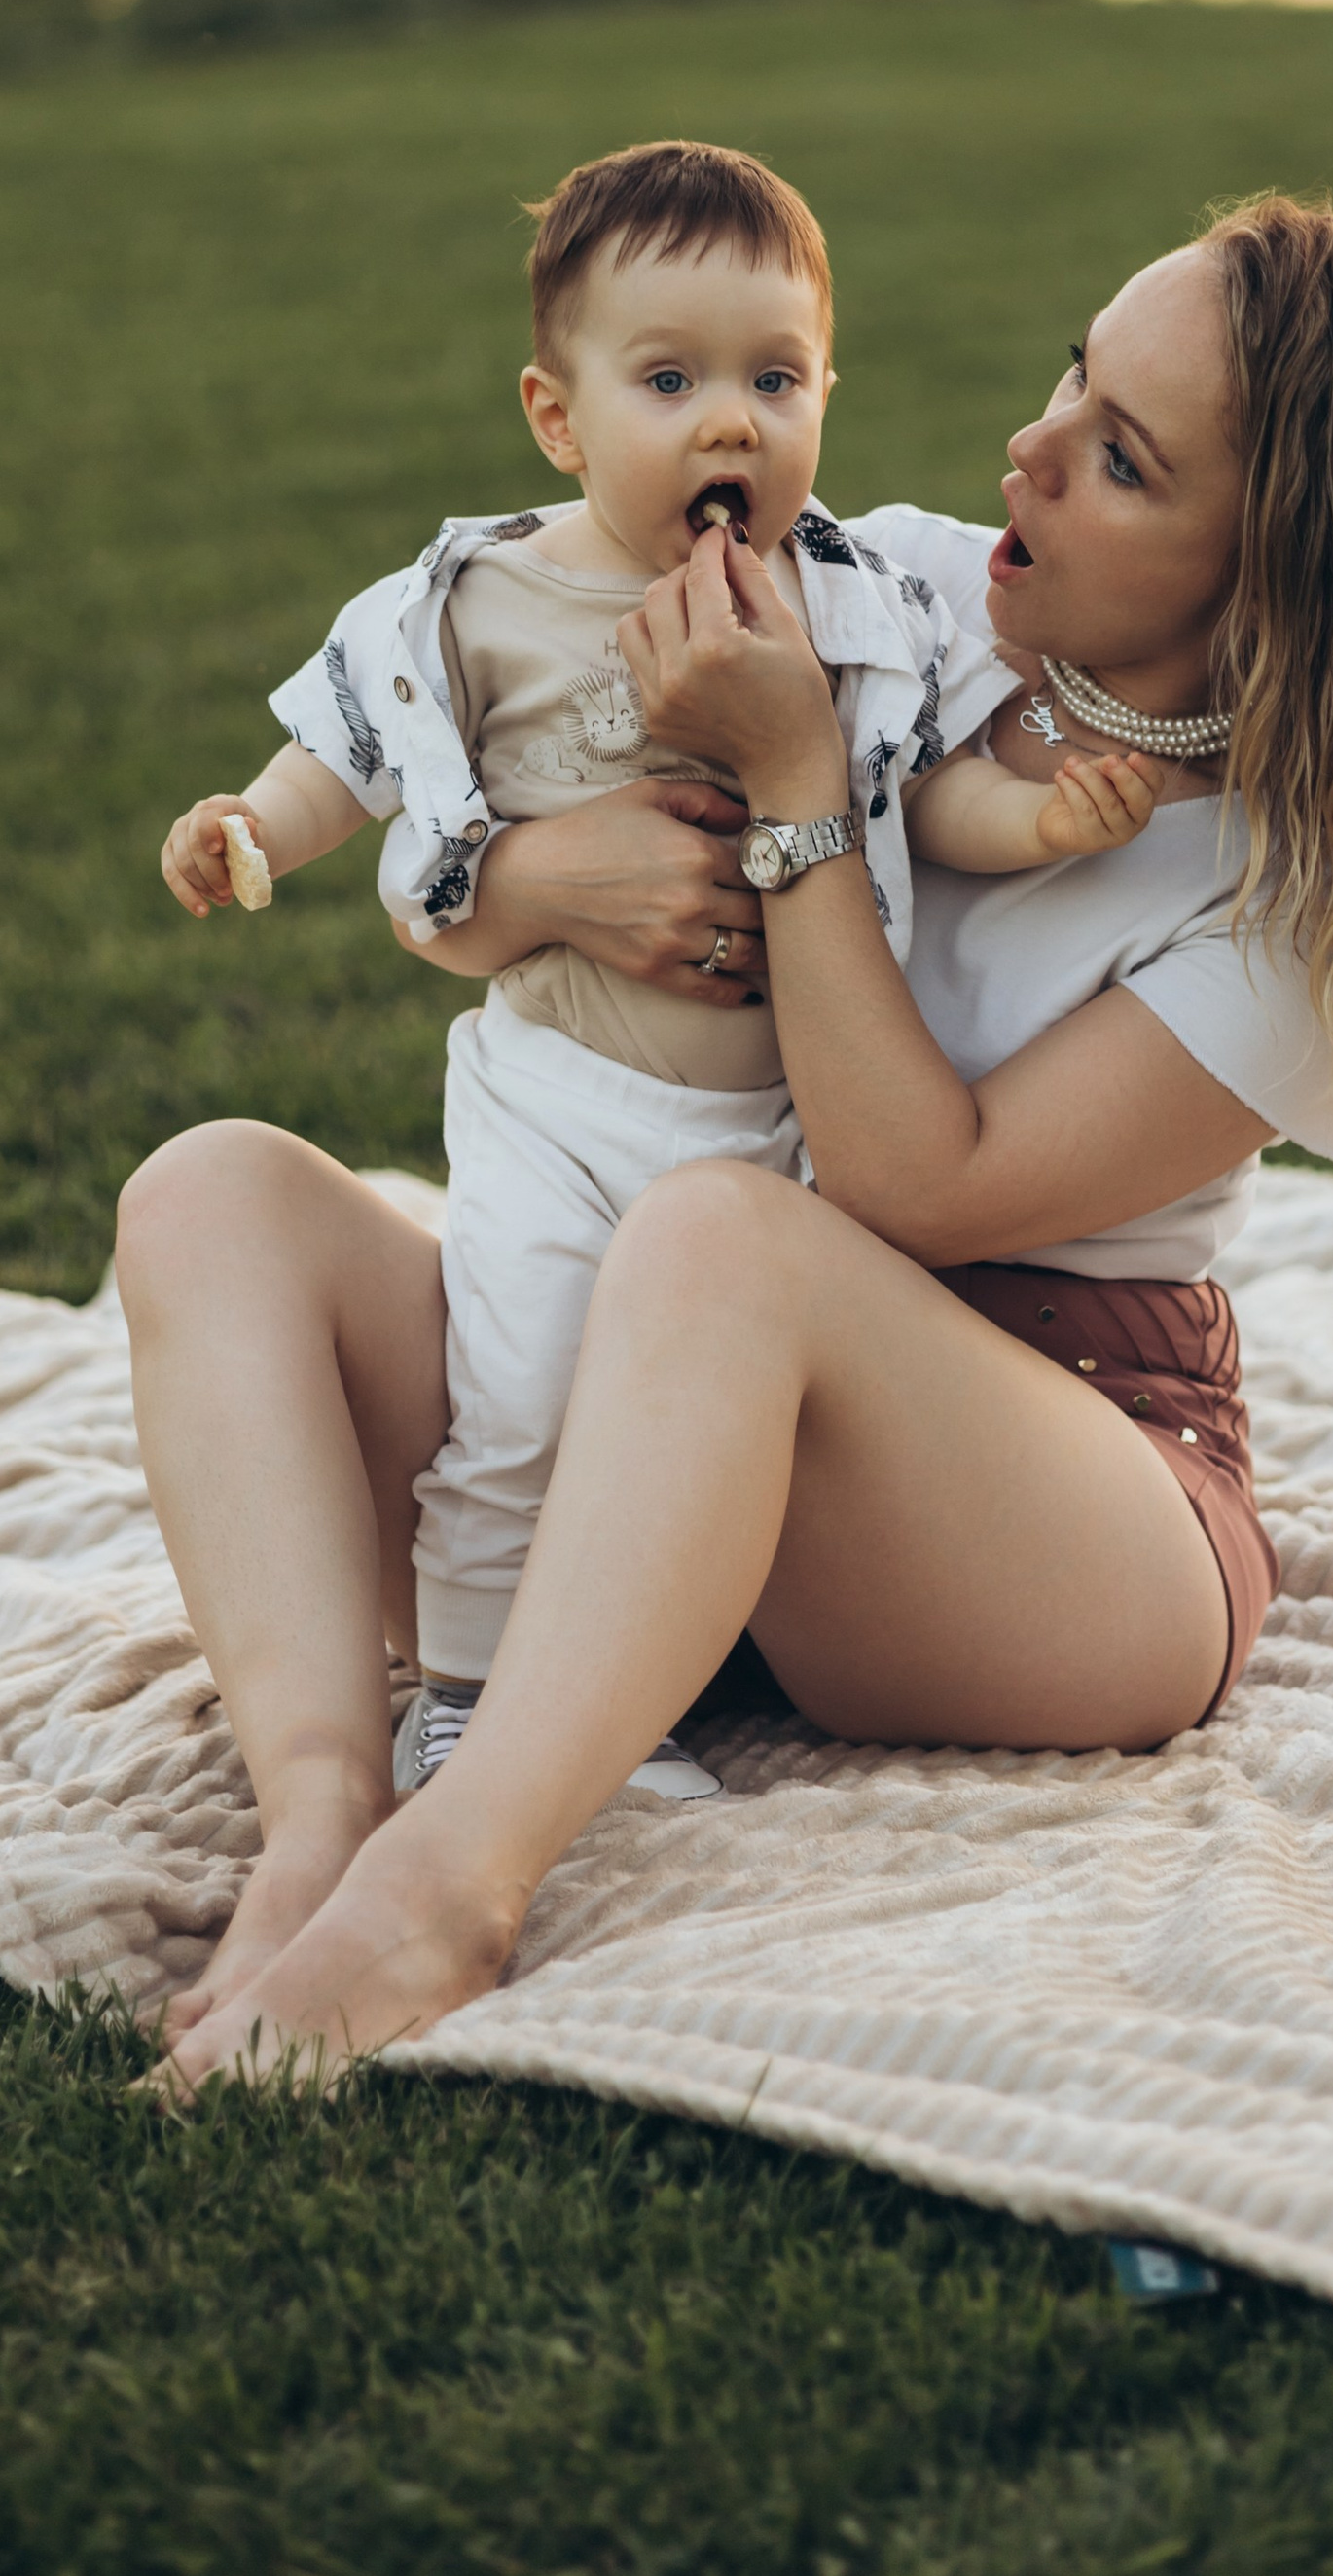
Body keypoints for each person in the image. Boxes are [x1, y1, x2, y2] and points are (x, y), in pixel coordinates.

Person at [122, 194, 1333, 2087]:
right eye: (1070, 377)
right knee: (213, 1194)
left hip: (1061, 1511)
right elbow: (456, 869)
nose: (1025, 453)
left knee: (720, 1236)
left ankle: (451, 1885)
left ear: (1280, 576)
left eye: (1118, 460)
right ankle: (323, 1808)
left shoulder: (1298, 895)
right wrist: (543, 878)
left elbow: (914, 1185)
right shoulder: (902, 589)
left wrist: (799, 774)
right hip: (684, 1424)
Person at [154, 142, 1162, 1802]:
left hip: (772, 1131)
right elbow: (355, 745)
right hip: (567, 1099)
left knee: (684, 1402)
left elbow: (911, 794)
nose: (729, 426)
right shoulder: (482, 598)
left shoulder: (839, 598)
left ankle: (641, 1678)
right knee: (528, 1376)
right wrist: (252, 829)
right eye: (671, 380)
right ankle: (472, 1688)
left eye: (775, 379)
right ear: (559, 416)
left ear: (830, 389)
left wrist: (1047, 823)